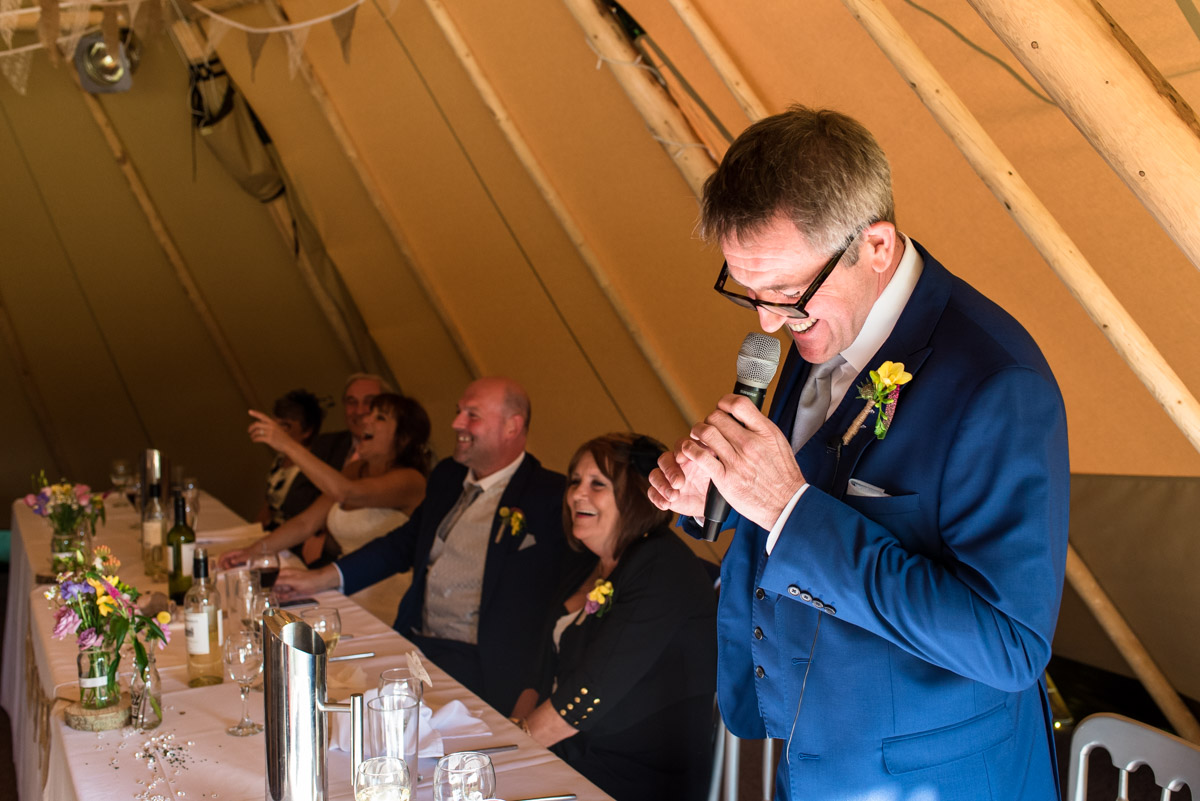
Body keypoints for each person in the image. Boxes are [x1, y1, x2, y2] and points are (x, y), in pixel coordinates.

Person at [648, 107, 1069, 801]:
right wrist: (725, 504)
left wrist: (784, 505)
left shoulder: (997, 383)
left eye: (786, 293)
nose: (768, 322)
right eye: (748, 292)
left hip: (936, 778)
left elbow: (1008, 643)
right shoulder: (822, 321)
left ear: (876, 245)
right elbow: (825, 502)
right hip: (814, 755)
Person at [274, 376, 591, 716]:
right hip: (415, 643)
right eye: (458, 412)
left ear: (512, 426)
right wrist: (321, 577)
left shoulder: (550, 496)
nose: (456, 423)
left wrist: (533, 690)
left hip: (482, 666)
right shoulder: (448, 476)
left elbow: (573, 593)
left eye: (472, 415)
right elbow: (403, 544)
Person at [511, 433, 717, 801]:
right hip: (567, 754)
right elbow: (540, 666)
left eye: (597, 484)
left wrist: (512, 751)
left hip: (629, 776)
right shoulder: (588, 564)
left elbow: (593, 686)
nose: (576, 494)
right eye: (574, 481)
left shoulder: (661, 567)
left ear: (636, 495)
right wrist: (510, 730)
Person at [220, 393, 430, 622]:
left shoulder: (411, 481)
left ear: (404, 437)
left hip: (386, 600)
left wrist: (287, 444)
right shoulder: (355, 469)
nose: (366, 421)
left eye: (379, 417)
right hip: (342, 589)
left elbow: (345, 492)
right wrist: (252, 552)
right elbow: (305, 523)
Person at [294, 373, 394, 563]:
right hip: (311, 548)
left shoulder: (402, 464)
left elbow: (348, 496)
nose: (359, 411)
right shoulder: (327, 444)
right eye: (351, 402)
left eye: (369, 402)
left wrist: (326, 534)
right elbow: (296, 499)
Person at [256, 389, 328, 532]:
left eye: (286, 426)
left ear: (307, 431)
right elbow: (267, 506)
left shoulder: (313, 468)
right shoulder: (280, 459)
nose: (278, 432)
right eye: (276, 425)